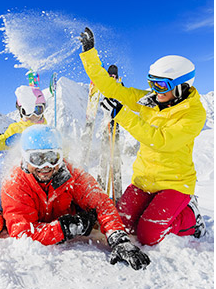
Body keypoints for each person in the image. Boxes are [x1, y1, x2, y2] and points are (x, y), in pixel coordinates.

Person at [78, 27, 206, 245]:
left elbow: (161, 140)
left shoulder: (193, 114)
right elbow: (111, 89)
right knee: (121, 225)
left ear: (182, 87)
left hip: (175, 184)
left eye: (161, 84)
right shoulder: (153, 100)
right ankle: (155, 211)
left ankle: (190, 217)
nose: (155, 90)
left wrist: (122, 115)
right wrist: (89, 54)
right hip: (145, 180)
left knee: (148, 235)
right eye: (151, 82)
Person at [1, 125, 151, 270]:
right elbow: (22, 232)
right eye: (36, 159)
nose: (45, 166)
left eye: (52, 158)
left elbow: (102, 203)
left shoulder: (71, 173)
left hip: (65, 212)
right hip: (49, 226)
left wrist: (118, 238)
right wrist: (65, 228)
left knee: (92, 208)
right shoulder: (15, 183)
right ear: (25, 159)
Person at [0, 85, 47, 234]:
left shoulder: (47, 129)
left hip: (41, 173)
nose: (33, 116)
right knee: (0, 157)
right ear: (20, 111)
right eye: (27, 111)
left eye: (37, 110)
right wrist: (7, 142)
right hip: (19, 174)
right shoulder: (14, 128)